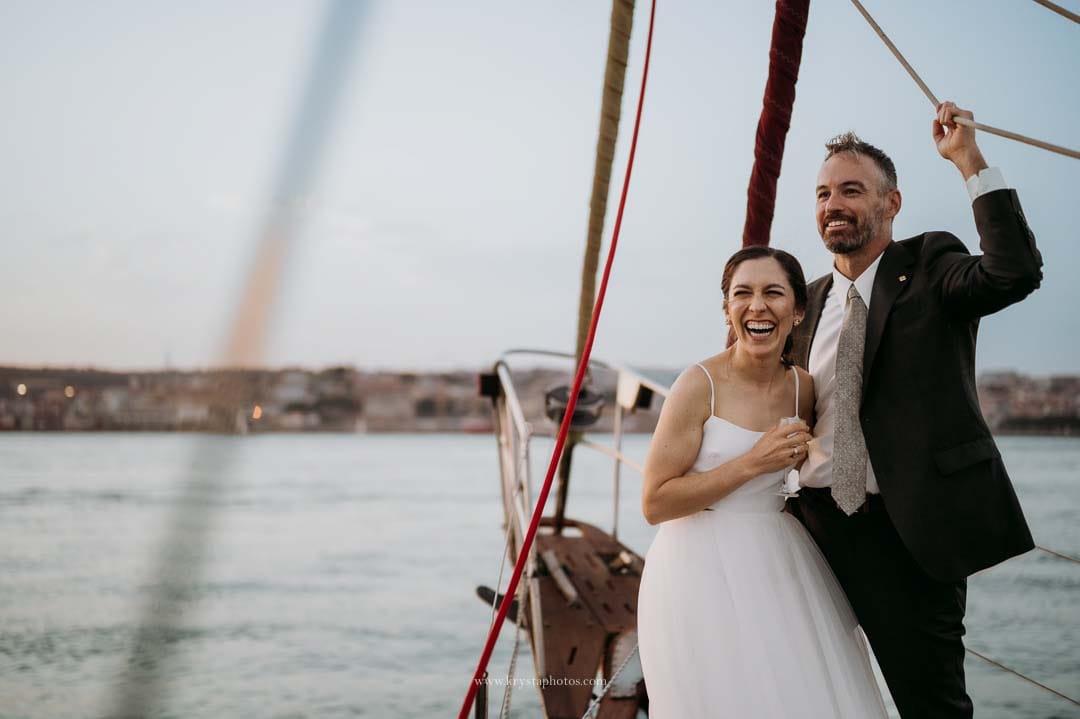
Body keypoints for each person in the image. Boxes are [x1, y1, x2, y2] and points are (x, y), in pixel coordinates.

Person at [788, 102, 1042, 718]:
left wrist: (969, 161)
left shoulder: (929, 265)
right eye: (823, 193)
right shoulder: (807, 302)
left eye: (852, 190)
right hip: (807, 528)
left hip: (904, 537)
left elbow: (1014, 271)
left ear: (891, 204)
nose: (833, 205)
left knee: (931, 706)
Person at [637, 246, 888, 718]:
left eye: (773, 293)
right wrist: (753, 463)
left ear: (797, 312)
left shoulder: (803, 387)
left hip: (781, 565)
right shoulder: (697, 385)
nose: (757, 305)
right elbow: (654, 503)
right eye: (742, 294)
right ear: (728, 309)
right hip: (695, 571)